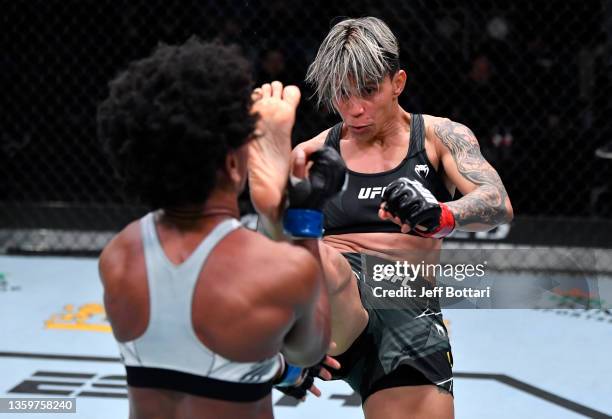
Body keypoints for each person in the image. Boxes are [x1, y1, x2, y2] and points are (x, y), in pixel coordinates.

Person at [96, 38, 336, 419]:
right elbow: (309, 349)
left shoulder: (118, 256)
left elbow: (189, 354)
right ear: (231, 163)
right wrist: (303, 218)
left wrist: (276, 371)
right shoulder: (284, 271)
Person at [290, 17, 513, 418]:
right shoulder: (312, 153)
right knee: (317, 259)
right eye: (341, 94)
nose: (354, 108)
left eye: (368, 91)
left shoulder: (438, 136)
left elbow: (497, 202)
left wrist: (441, 214)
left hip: (405, 306)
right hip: (335, 307)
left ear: (398, 82)